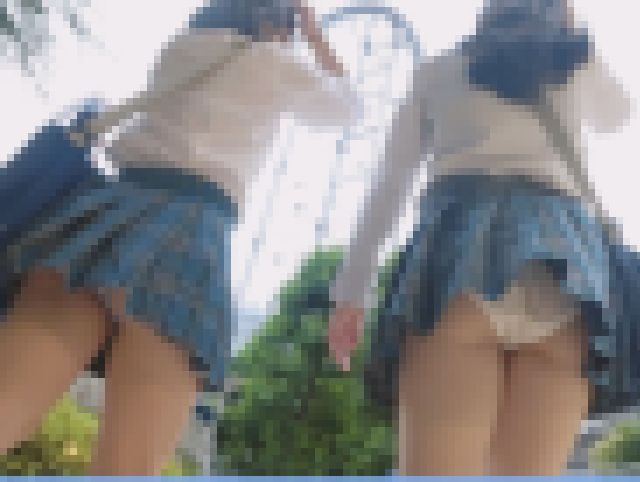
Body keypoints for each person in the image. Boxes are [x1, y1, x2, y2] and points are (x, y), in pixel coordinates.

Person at [0, 0, 355, 474]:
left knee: (7, 405)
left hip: (102, 221)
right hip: (190, 238)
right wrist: (312, 31)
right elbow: (346, 107)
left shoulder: (182, 47)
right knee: (128, 467)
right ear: (272, 23)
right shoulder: (275, 62)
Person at [329, 0, 634, 475]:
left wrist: (352, 292)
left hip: (462, 262)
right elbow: (618, 116)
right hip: (565, 274)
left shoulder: (439, 71)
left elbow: (390, 186)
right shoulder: (575, 64)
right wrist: (578, 34)